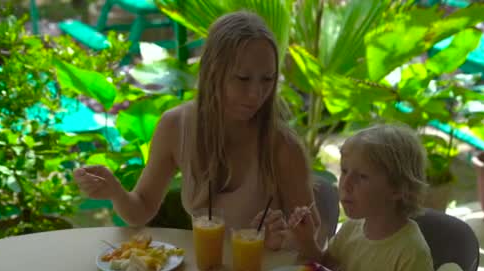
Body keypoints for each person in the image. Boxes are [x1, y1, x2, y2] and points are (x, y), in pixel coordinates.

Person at [73, 11, 321, 250]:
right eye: (243, 79)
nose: (256, 94)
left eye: (267, 79)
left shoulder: (283, 146)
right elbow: (141, 210)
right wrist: (116, 192)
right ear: (213, 72)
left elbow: (313, 236)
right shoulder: (176, 127)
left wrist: (282, 239)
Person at [288, 124, 435, 271]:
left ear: (397, 189)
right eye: (345, 171)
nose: (345, 184)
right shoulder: (351, 228)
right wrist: (307, 241)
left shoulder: (411, 250)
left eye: (362, 177)